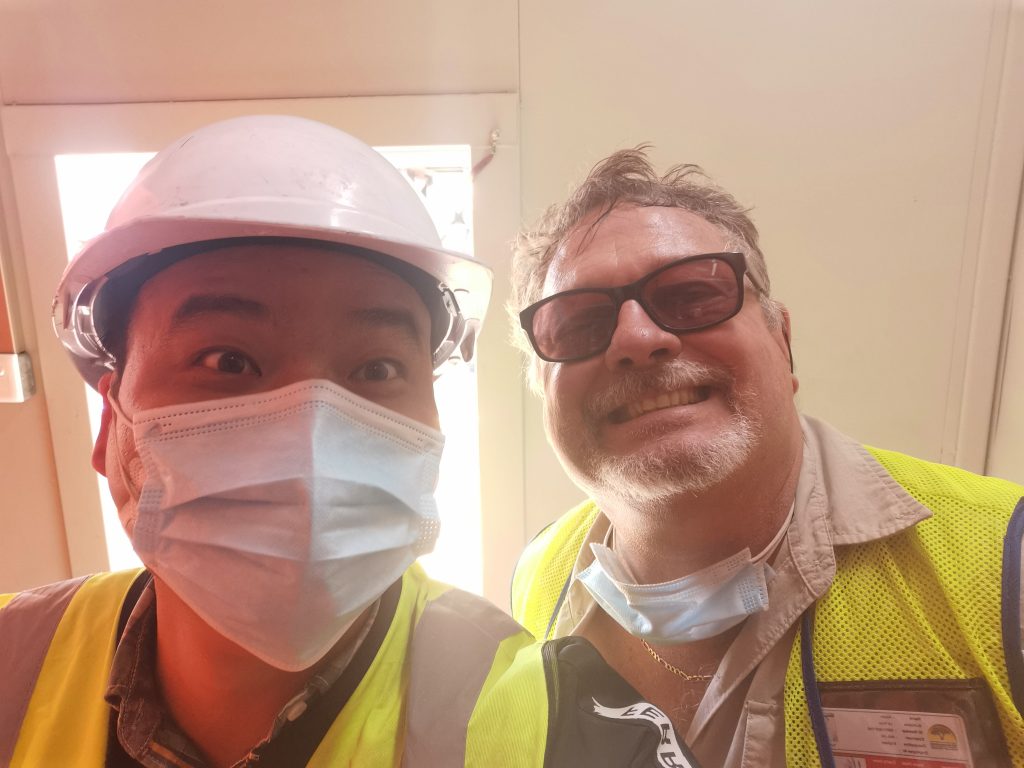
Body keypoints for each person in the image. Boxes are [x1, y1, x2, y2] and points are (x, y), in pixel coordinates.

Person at [0, 118, 692, 768]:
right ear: (110, 427)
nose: (312, 441)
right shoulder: (15, 661)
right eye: (228, 361)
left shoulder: (566, 729)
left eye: (377, 370)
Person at [509, 147, 1024, 767]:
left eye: (691, 295)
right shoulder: (537, 576)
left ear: (783, 342)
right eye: (578, 323)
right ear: (542, 392)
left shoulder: (1007, 562)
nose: (638, 338)